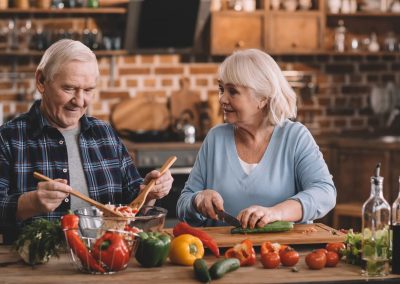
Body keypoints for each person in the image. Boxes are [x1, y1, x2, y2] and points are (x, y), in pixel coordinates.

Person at [0, 39, 173, 243]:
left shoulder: (105, 134)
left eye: (88, 90)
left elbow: (133, 206)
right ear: (41, 81)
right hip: (36, 268)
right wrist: (30, 202)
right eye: (69, 88)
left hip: (108, 259)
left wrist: (150, 191)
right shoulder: (9, 138)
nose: (80, 101)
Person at [177, 49, 336, 228]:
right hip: (222, 253)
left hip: (283, 253)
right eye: (221, 89)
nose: (222, 99)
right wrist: (197, 200)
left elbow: (325, 193)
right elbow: (183, 204)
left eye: (233, 91)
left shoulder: (295, 137)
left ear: (262, 98)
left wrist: (275, 212)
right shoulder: (215, 139)